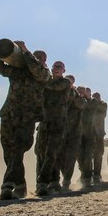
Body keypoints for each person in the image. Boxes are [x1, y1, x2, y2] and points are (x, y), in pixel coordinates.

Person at [0, 40, 50, 200]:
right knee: (8, 151)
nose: (37, 59)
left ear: (44, 61)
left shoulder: (43, 73)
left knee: (18, 148)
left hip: (27, 115)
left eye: (40, 58)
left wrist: (26, 51)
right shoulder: (18, 70)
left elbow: (37, 70)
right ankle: (21, 186)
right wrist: (2, 52)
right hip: (9, 113)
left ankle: (7, 184)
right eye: (35, 56)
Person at [35, 61, 72, 196]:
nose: (56, 69)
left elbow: (51, 85)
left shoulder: (66, 82)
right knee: (42, 153)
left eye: (59, 67)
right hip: (44, 122)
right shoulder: (46, 80)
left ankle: (43, 183)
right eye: (54, 67)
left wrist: (42, 72)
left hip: (58, 123)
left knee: (51, 153)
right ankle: (53, 181)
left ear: (63, 70)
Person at [61, 77, 86, 190]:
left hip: (75, 133)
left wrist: (75, 92)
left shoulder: (82, 100)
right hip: (61, 130)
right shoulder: (65, 94)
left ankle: (66, 180)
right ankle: (58, 180)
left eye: (82, 92)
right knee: (59, 156)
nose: (80, 92)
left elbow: (80, 104)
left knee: (71, 157)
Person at [91, 92, 108, 184]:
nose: (95, 99)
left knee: (98, 155)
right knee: (88, 155)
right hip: (89, 133)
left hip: (99, 134)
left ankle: (97, 175)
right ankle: (87, 175)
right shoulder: (90, 103)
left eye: (97, 97)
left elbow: (102, 110)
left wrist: (96, 102)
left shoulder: (103, 104)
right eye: (94, 97)